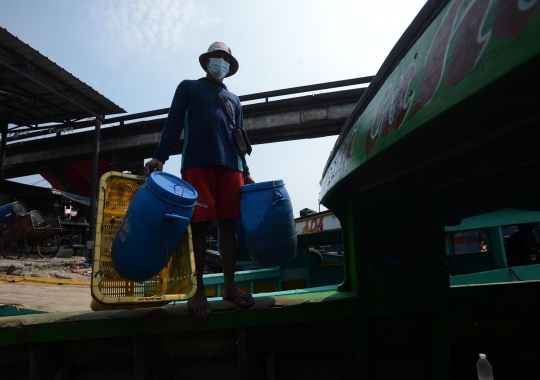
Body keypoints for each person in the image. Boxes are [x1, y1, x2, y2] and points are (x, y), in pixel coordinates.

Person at [144, 42, 255, 317]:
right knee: (199, 228)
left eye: (225, 59)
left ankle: (230, 287)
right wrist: (160, 156)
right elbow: (173, 123)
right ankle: (198, 290)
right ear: (207, 62)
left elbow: (238, 136)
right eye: (216, 58)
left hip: (232, 167)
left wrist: (246, 170)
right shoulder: (188, 87)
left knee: (228, 227)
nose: (221, 62)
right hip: (197, 165)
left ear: (230, 66)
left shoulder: (235, 100)